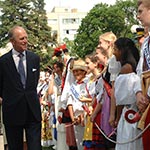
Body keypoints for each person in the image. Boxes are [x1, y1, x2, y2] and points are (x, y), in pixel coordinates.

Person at [0, 25, 42, 150]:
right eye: (21, 39)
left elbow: (33, 82)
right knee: (15, 147)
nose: (25, 41)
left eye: (26, 38)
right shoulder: (3, 62)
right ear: (12, 42)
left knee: (35, 147)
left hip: (32, 111)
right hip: (12, 111)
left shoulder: (34, 58)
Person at [113, 37, 143, 150]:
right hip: (138, 114)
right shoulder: (135, 67)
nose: (114, 53)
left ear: (122, 51)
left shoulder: (125, 69)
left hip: (129, 115)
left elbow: (120, 99)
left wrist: (117, 117)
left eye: (115, 49)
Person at [136, 1, 150, 150]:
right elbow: (140, 71)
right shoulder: (146, 43)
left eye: (141, 11)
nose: (138, 16)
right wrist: (138, 92)